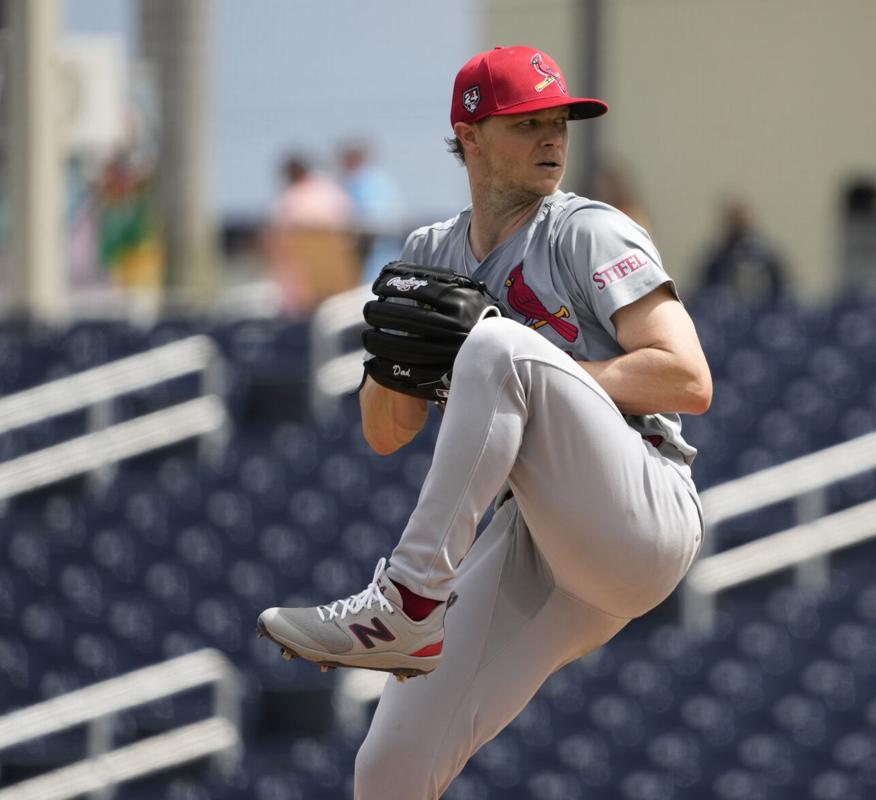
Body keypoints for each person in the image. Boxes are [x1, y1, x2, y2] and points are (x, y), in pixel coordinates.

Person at [256, 45, 710, 799]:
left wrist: (547, 382)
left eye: (559, 120)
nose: (553, 138)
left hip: (640, 504)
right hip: (536, 537)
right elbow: (385, 431)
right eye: (528, 121)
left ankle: (406, 603)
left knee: (500, 344)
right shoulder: (429, 254)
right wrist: (398, 358)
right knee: (389, 767)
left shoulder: (586, 230)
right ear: (469, 135)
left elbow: (689, 378)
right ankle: (411, 612)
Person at [263, 153, 357, 316]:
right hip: (306, 250)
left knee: (329, 296)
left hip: (322, 247)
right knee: (308, 299)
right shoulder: (295, 194)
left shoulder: (319, 189)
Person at [337, 140, 406, 281]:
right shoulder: (379, 178)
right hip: (384, 243)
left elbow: (368, 218)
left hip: (374, 244)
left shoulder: (361, 180)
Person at [700, 196, 788, 304]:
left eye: (741, 217)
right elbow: (706, 291)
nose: (738, 222)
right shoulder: (716, 260)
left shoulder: (766, 258)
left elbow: (781, 289)